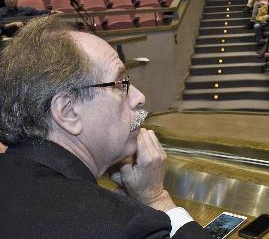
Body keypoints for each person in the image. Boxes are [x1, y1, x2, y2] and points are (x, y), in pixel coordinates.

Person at [0, 16, 212, 238]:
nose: (139, 97)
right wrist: (156, 198)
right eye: (120, 84)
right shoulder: (125, 226)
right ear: (68, 112)